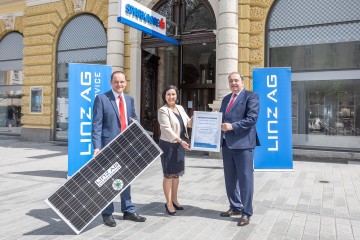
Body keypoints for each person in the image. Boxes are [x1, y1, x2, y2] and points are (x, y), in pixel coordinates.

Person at [92, 71, 146, 227]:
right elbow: (97, 125)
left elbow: (134, 118)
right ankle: (107, 213)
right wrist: (97, 147)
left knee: (126, 177)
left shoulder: (129, 100)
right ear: (111, 83)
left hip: (126, 146)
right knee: (109, 179)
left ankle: (128, 210)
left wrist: (135, 121)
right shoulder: (102, 99)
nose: (119, 85)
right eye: (116, 82)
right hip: (108, 146)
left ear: (126, 83)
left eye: (122, 82)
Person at [219, 72, 260, 227]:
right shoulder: (225, 99)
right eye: (231, 81)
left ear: (242, 82)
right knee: (230, 180)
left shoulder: (251, 96)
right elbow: (221, 118)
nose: (233, 83)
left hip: (244, 145)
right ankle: (235, 207)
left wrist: (233, 126)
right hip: (227, 145)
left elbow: (252, 119)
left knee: (245, 180)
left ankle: (246, 212)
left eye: (236, 80)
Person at [157, 85, 192, 215]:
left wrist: (199, 117)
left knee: (176, 174)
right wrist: (181, 141)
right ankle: (168, 203)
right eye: (168, 94)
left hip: (179, 145)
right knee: (168, 175)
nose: (171, 97)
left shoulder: (180, 108)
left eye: (173, 94)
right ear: (164, 96)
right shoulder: (163, 110)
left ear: (177, 96)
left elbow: (188, 123)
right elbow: (166, 129)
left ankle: (175, 199)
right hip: (169, 145)